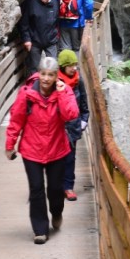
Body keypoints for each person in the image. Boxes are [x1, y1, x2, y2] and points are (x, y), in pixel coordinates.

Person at [5, 55, 79, 243]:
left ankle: (56, 212)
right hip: (32, 149)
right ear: (38, 74)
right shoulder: (26, 94)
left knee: (55, 189)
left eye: (50, 75)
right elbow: (16, 120)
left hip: (57, 148)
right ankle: (40, 230)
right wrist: (10, 144)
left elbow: (71, 115)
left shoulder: (65, 91)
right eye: (43, 74)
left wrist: (61, 93)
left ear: (56, 76)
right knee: (36, 189)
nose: (46, 78)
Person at [57, 49, 89, 201]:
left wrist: (84, 120)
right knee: (56, 157)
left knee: (70, 157)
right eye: (70, 65)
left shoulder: (78, 81)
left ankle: (68, 187)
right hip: (58, 126)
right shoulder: (55, 81)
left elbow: (84, 102)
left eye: (75, 65)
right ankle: (56, 185)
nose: (74, 68)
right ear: (63, 66)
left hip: (73, 126)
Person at [21, 0, 60, 73]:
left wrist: (56, 35)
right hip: (35, 41)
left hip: (51, 41)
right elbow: (24, 23)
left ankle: (51, 81)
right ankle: (34, 82)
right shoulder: (31, 3)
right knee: (34, 67)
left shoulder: (55, 4)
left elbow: (57, 21)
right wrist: (27, 39)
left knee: (53, 66)